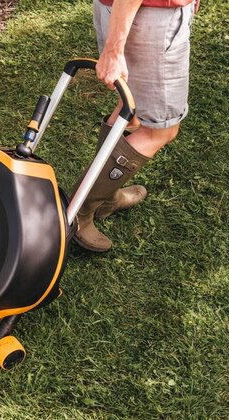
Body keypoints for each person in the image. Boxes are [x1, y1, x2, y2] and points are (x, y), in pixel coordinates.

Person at [72, 0, 198, 252]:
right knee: (159, 131)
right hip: (151, 19)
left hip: (122, 11)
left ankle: (106, 196)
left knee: (129, 107)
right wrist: (113, 50)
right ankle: (79, 210)